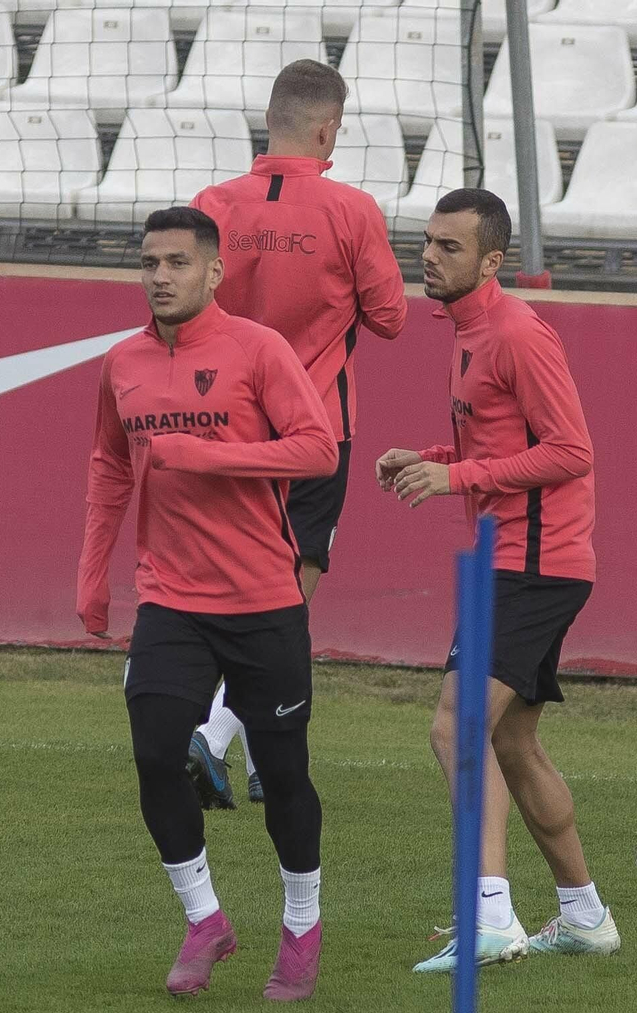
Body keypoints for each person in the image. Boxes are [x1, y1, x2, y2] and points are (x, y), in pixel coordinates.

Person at [76, 207, 340, 1000]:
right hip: (170, 599)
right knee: (158, 751)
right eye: (149, 261)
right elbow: (108, 465)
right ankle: (204, 918)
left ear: (214, 271)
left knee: (285, 773)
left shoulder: (260, 350)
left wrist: (211, 456)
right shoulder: (121, 362)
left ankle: (302, 924)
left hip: (263, 599)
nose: (160, 276)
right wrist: (94, 572)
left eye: (178, 263)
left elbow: (318, 447)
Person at [375, 189, 617, 971]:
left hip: (535, 561)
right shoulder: (467, 331)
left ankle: (491, 917)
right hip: (520, 556)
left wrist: (458, 478)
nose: (430, 256)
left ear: (491, 260)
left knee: (454, 726)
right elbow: (500, 446)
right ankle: (584, 915)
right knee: (512, 741)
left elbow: (570, 451)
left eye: (449, 246)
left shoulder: (516, 332)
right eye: (428, 241)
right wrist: (433, 460)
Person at [184, 59, 409, 808]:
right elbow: (391, 317)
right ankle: (213, 734)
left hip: (225, 425)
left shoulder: (213, 203)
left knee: (247, 582)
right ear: (329, 128)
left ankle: (259, 754)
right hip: (315, 428)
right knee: (284, 593)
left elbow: (180, 310)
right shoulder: (351, 211)